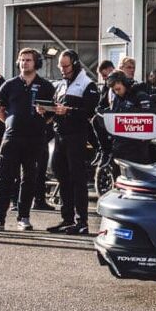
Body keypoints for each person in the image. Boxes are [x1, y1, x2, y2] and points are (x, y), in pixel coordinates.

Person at [0, 47, 50, 232]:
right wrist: (8, 121)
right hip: (11, 138)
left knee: (29, 178)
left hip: (35, 138)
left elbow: (52, 114)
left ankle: (24, 216)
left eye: (28, 60)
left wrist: (45, 114)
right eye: (22, 60)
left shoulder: (47, 86)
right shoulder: (9, 85)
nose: (24, 63)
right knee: (5, 177)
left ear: (36, 63)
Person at [47, 49, 99, 234]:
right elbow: (56, 107)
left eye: (65, 66)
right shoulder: (61, 84)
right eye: (60, 66)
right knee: (61, 176)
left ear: (75, 63)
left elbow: (90, 111)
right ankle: (67, 218)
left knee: (78, 179)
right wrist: (47, 111)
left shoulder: (87, 84)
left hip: (78, 136)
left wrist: (68, 111)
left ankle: (82, 221)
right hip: (60, 135)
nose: (62, 69)